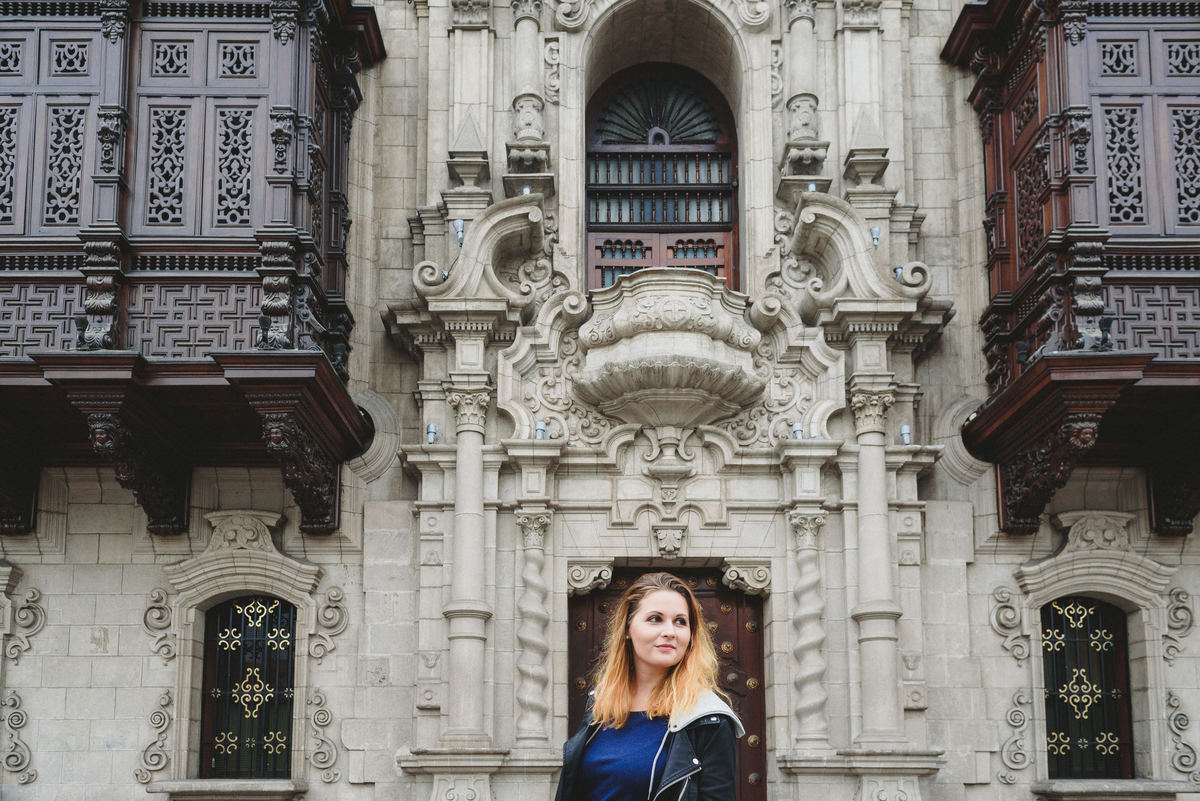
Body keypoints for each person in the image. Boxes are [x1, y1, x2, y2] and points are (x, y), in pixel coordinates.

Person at [555, 572, 744, 801]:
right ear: (627, 628)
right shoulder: (599, 704)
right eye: (655, 619)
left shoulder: (707, 719)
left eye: (681, 622)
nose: (670, 632)